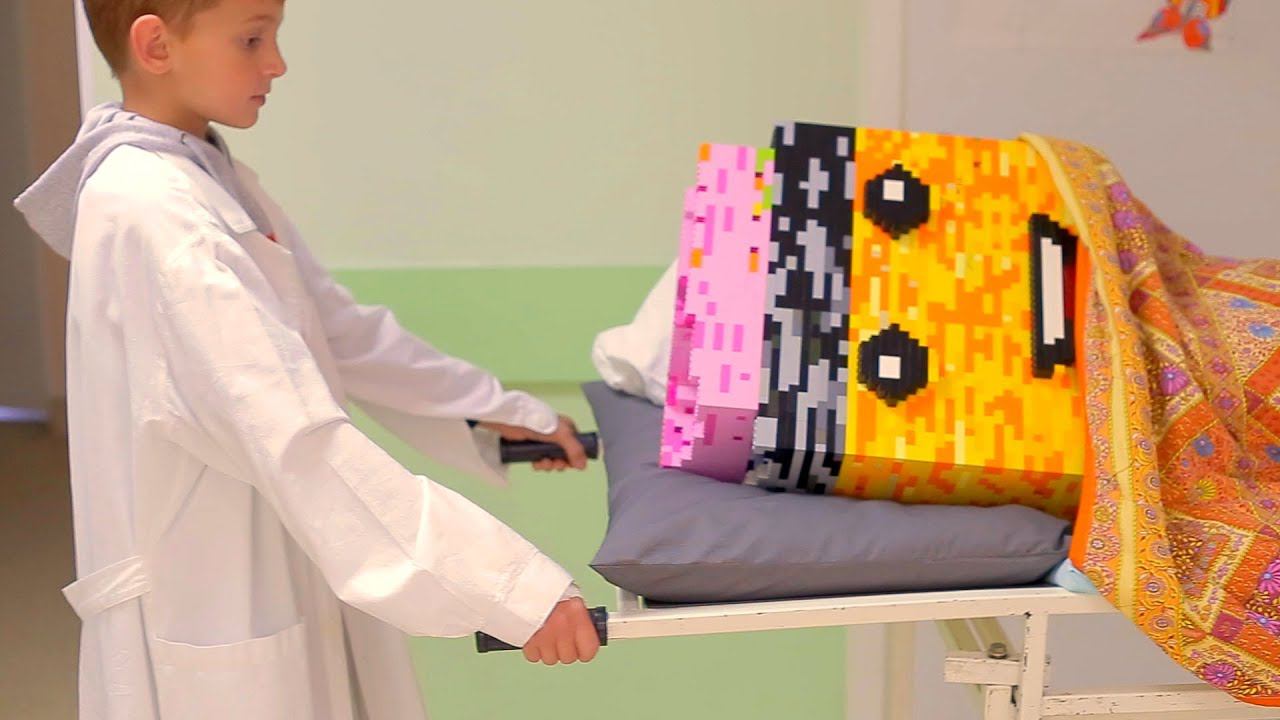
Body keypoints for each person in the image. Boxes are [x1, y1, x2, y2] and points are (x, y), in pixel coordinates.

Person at [13, 1, 599, 718]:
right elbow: (299, 442)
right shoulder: (157, 212)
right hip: (212, 587)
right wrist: (509, 587)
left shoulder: (206, 175)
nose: (277, 63)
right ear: (156, 45)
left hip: (266, 561)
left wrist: (495, 412)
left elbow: (336, 330)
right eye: (252, 39)